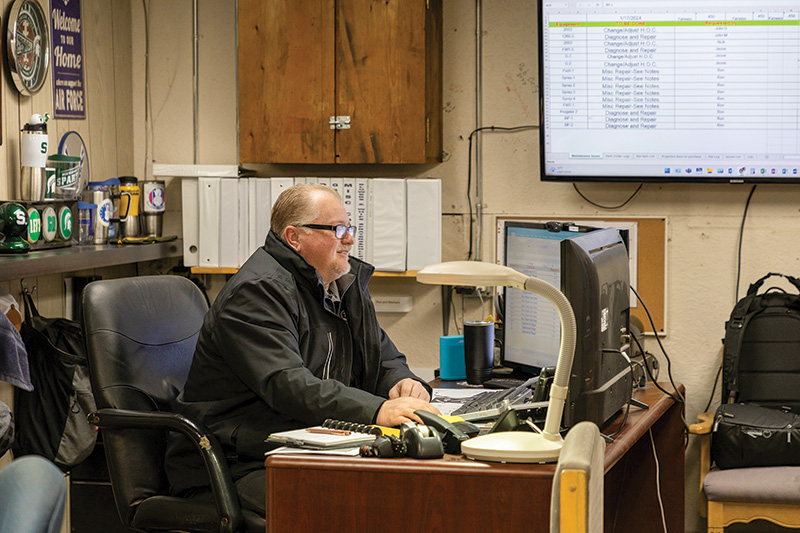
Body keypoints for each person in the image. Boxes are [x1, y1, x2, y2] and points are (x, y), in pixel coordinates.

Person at [166, 184, 439, 515]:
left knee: (407, 490)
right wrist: (376, 410)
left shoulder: (340, 283)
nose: (349, 239)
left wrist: (401, 382)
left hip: (300, 443)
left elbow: (380, 355)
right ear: (294, 237)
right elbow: (287, 384)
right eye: (337, 229)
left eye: (350, 229)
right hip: (235, 462)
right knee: (356, 508)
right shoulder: (257, 293)